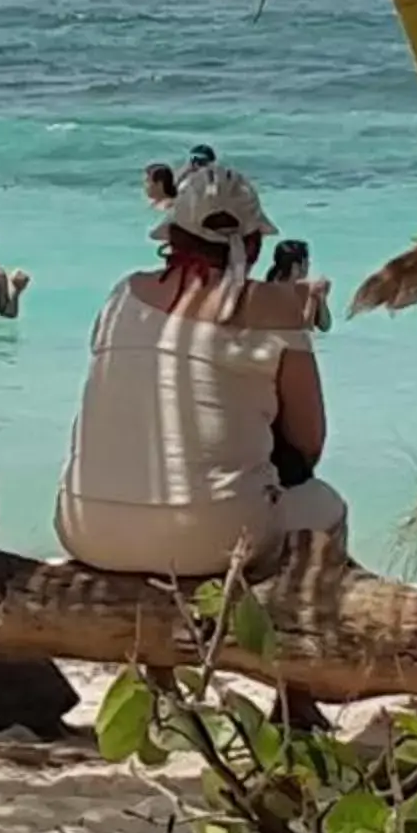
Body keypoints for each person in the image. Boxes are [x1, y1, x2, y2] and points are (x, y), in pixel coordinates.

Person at [56, 164, 347, 578]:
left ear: (173, 237)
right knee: (325, 507)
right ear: (253, 244)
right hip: (211, 541)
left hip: (83, 525)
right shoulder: (278, 305)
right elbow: (308, 445)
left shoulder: (125, 294)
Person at [267, 238, 333, 333]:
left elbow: (325, 326)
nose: (309, 264)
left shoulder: (304, 289)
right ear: (295, 266)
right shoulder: (273, 292)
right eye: (306, 261)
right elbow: (303, 331)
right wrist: (312, 297)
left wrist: (322, 299)